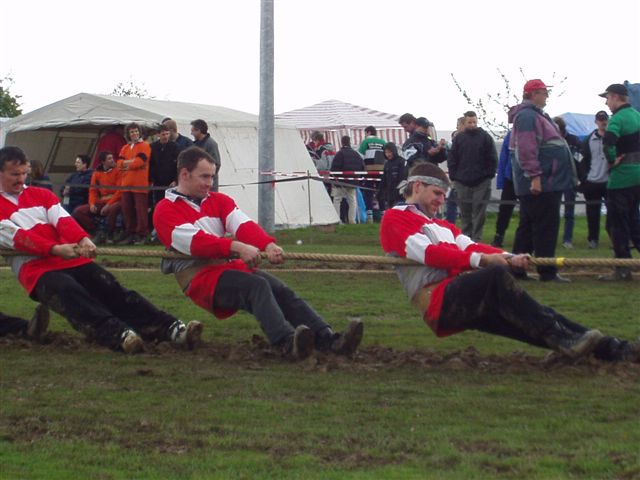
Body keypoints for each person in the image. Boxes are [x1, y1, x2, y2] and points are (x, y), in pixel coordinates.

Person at [379, 162, 639, 362]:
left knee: (525, 318)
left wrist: (508, 257)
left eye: (444, 195)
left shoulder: (442, 225)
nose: (441, 200)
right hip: (437, 300)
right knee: (496, 279)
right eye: (437, 193)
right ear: (417, 187)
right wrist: (485, 261)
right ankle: (572, 340)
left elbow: (471, 246)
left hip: (457, 294)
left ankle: (609, 348)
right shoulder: (394, 218)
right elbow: (430, 254)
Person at [152, 146, 363, 360]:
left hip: (225, 269)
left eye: (212, 177)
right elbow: (195, 243)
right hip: (199, 279)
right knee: (257, 286)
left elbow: (243, 224)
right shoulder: (165, 210)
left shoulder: (219, 201)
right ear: (184, 174)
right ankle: (286, 343)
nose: (210, 183)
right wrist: (237, 247)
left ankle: (328, 339)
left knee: (280, 290)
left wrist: (267, 245)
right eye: (204, 176)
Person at [0, 146, 202, 354]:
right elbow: (16, 237)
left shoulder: (41, 195)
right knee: (70, 293)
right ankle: (117, 335)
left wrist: (83, 239)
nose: (21, 179)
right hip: (36, 269)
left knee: (110, 287)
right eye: (15, 174)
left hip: (70, 257)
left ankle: (170, 329)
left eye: (24, 173)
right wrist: (54, 249)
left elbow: (62, 220)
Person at [509, 79, 575, 282]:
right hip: (543, 182)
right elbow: (526, 149)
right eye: (544, 92)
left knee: (528, 227)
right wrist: (535, 177)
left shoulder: (532, 115)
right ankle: (547, 271)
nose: (546, 95)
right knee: (545, 227)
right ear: (533, 94)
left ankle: (517, 270)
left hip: (544, 181)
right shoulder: (528, 116)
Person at [598, 83, 640, 281]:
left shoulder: (617, 119)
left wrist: (612, 160)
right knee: (634, 222)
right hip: (637, 176)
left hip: (621, 178)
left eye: (607, 98)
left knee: (616, 224)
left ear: (615, 97)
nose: (606, 103)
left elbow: (608, 143)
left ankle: (623, 268)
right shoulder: (637, 115)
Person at [447, 111, 497, 242]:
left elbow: (492, 157)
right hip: (462, 181)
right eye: (469, 122)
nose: (472, 125)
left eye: (474, 122)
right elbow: (452, 158)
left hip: (481, 181)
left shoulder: (485, 137)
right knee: (465, 212)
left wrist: (489, 175)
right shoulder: (459, 139)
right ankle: (466, 238)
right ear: (465, 122)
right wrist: (454, 176)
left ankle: (476, 239)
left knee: (479, 211)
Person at [72, 151, 123, 244]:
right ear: (103, 162)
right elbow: (92, 190)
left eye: (112, 158)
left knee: (112, 209)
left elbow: (119, 191)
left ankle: (109, 234)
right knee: (78, 211)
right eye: (109, 159)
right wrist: (92, 204)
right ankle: (96, 231)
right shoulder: (96, 173)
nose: (112, 160)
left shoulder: (118, 171)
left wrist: (108, 205)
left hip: (116, 200)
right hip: (102, 201)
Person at [578, 111, 610, 249]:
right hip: (592, 182)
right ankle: (593, 239)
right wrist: (584, 179)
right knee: (592, 213)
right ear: (596, 121)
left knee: (613, 212)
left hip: (609, 181)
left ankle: (614, 238)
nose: (603, 122)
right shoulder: (588, 140)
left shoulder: (612, 137)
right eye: (600, 119)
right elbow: (581, 161)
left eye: (605, 119)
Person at [117, 123, 151, 245]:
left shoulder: (145, 145)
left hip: (139, 184)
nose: (134, 134)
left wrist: (126, 164)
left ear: (140, 132)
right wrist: (131, 163)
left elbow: (140, 162)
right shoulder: (125, 147)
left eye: (136, 131)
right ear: (128, 134)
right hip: (126, 184)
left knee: (141, 211)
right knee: (127, 211)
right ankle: (130, 233)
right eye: (132, 132)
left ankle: (142, 234)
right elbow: (118, 163)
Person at [553, 116, 582, 249]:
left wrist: (579, 177)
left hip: (570, 179)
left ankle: (567, 239)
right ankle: (551, 238)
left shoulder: (573, 140)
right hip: (555, 180)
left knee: (569, 212)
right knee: (552, 211)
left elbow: (581, 159)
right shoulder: (550, 140)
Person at [330, 135, 365, 224]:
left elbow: (334, 169)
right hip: (353, 182)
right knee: (352, 201)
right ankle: (352, 220)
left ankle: (337, 220)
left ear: (341, 143)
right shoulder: (356, 154)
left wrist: (333, 180)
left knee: (337, 200)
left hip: (340, 182)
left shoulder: (339, 154)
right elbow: (362, 168)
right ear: (350, 142)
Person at [491, 130, 517, 248]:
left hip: (527, 179)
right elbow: (503, 158)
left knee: (528, 211)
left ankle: (527, 238)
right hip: (510, 178)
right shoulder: (511, 135)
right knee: (504, 210)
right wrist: (501, 181)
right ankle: (499, 236)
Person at [150, 124, 180, 209]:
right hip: (158, 182)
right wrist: (151, 179)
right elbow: (151, 164)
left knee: (171, 204)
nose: (166, 136)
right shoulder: (153, 147)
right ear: (158, 135)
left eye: (167, 134)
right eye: (163, 134)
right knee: (159, 204)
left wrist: (175, 180)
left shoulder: (175, 146)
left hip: (171, 182)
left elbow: (179, 164)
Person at [358, 126, 386, 213]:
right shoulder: (383, 142)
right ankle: (383, 210)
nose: (365, 135)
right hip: (381, 170)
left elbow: (360, 156)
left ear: (369, 132)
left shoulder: (365, 141)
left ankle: (369, 211)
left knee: (368, 191)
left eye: (365, 133)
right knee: (381, 191)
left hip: (369, 170)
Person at [191, 119, 221, 192]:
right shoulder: (195, 144)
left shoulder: (211, 144)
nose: (191, 133)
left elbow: (216, 164)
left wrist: (207, 176)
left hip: (209, 185)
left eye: (193, 131)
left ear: (199, 131)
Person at [377, 142, 404, 210]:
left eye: (389, 152)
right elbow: (384, 179)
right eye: (386, 152)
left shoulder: (401, 161)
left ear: (394, 151)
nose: (388, 154)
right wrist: (380, 191)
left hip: (400, 194)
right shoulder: (387, 164)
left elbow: (403, 178)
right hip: (390, 194)